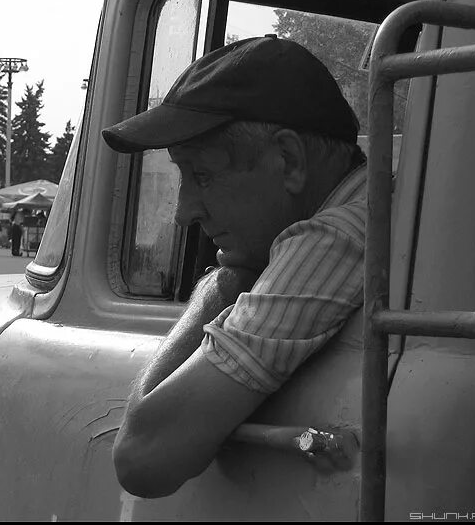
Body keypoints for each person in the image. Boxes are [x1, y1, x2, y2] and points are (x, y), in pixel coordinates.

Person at [103, 36, 367, 498]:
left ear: (288, 161)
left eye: (202, 175)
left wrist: (223, 282)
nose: (184, 212)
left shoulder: (332, 237)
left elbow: (143, 457)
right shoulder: (367, 206)